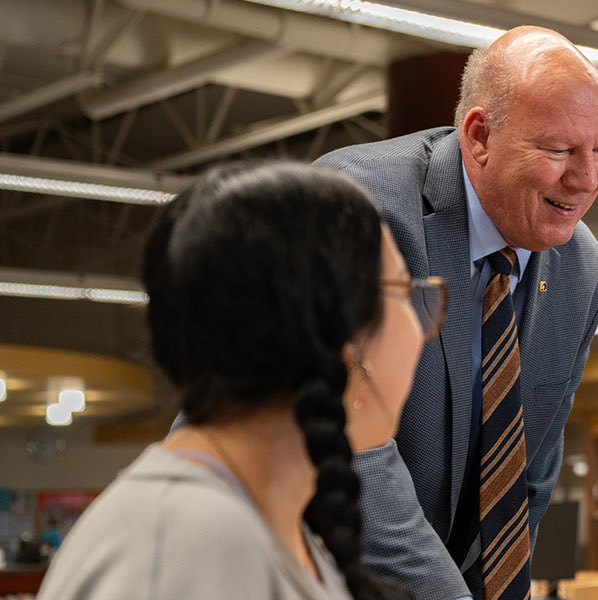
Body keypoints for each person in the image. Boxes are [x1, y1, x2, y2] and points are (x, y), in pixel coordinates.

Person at [38, 161, 435, 599]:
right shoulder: (197, 543)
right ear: (347, 345)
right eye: (404, 290)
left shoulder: (254, 527)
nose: (423, 325)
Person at [314, 25, 598, 600]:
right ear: (478, 136)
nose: (586, 178)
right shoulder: (359, 207)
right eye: (559, 150)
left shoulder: (581, 270)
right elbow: (349, 452)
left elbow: (524, 481)